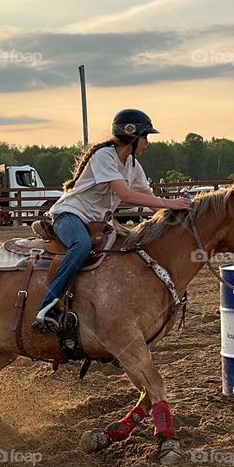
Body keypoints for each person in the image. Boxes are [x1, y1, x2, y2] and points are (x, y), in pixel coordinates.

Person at [32, 109, 192, 332]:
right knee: (81, 245)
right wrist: (170, 203)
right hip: (68, 215)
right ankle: (46, 307)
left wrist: (179, 216)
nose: (147, 143)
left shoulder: (133, 166)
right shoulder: (104, 156)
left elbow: (149, 200)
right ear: (132, 136)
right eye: (145, 137)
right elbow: (125, 195)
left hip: (94, 222)